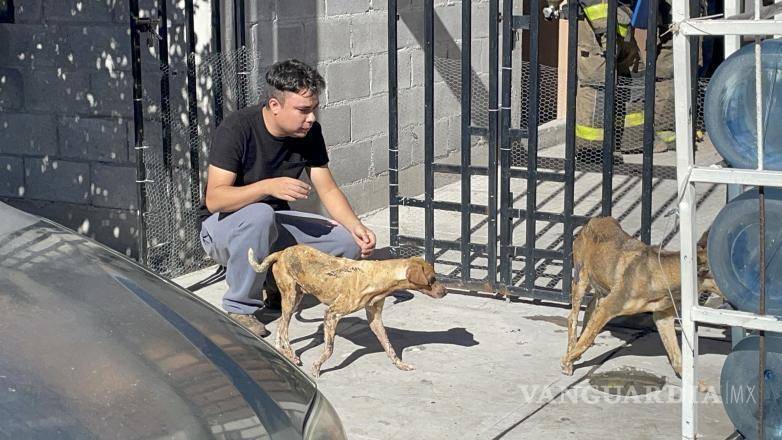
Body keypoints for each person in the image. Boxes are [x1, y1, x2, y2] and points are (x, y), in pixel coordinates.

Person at [198, 59, 376, 337]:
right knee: (260, 214)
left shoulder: (309, 133)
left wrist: (357, 227)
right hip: (222, 228)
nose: (312, 118)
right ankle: (239, 308)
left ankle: (275, 282)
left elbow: (327, 189)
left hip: (270, 225)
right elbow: (215, 200)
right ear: (274, 105)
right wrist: (268, 186)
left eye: (314, 109)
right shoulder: (237, 128)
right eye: (303, 110)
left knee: (347, 243)